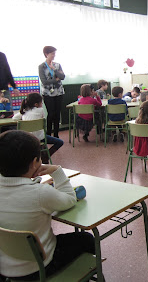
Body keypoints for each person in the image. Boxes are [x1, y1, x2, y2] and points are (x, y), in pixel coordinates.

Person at [0, 130, 95, 280]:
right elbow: (70, 199)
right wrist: (57, 172)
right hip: (38, 267)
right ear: (34, 163)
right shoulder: (40, 193)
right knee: (87, 239)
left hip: (5, 267)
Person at [12, 93, 64, 163]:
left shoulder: (24, 111)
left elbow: (14, 118)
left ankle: (38, 157)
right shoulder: (41, 110)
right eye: (41, 103)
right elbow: (43, 118)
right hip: (40, 138)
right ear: (36, 104)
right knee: (60, 142)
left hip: (27, 139)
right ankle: (46, 157)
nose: (42, 104)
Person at [38, 46, 65, 138]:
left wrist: (54, 69)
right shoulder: (41, 66)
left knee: (57, 114)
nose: (54, 55)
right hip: (47, 94)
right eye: (52, 53)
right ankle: (49, 134)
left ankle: (56, 134)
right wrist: (56, 79)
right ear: (46, 54)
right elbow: (44, 82)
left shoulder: (57, 65)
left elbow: (62, 77)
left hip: (59, 92)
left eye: (54, 53)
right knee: (51, 114)